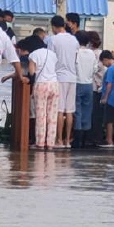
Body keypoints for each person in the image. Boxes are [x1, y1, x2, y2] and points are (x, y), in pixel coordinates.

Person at [17, 35, 60, 149]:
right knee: (52, 116)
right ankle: (50, 143)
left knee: (41, 116)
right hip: (54, 85)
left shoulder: (33, 54)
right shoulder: (52, 54)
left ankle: (40, 143)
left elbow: (31, 72)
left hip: (41, 85)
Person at [47, 15, 80, 149]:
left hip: (59, 77)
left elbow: (50, 59)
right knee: (69, 110)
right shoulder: (74, 40)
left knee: (59, 110)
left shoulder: (53, 40)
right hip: (73, 77)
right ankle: (67, 140)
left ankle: (59, 140)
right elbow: (76, 58)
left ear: (54, 27)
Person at [73, 31, 98, 148]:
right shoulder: (92, 53)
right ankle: (85, 138)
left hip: (77, 82)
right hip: (89, 84)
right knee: (87, 110)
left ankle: (77, 138)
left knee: (77, 110)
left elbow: (74, 66)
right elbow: (95, 69)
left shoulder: (76, 53)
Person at [99, 49, 114, 149]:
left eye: (103, 62)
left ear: (105, 59)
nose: (104, 64)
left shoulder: (110, 70)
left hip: (110, 98)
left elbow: (109, 84)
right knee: (111, 119)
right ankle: (110, 139)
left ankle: (109, 140)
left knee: (109, 120)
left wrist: (105, 97)